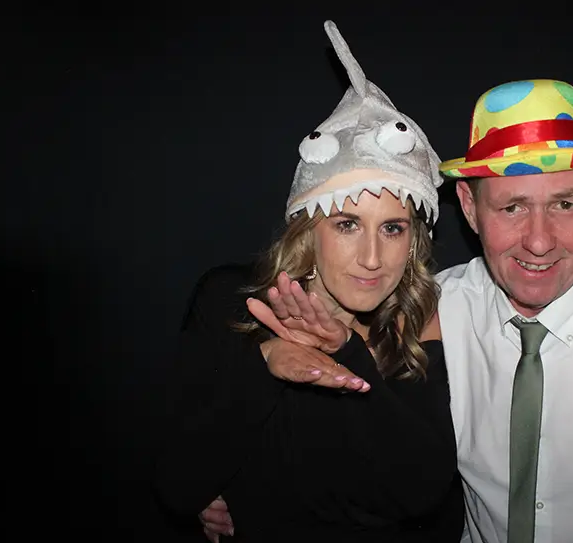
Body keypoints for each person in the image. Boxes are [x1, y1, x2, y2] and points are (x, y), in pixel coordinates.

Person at [198, 75, 573, 542]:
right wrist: (226, 478)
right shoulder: (432, 309)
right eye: (512, 207)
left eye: (564, 204)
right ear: (468, 207)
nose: (538, 241)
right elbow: (344, 438)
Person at [153, 20, 464, 542]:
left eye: (392, 228)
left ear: (414, 240)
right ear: (308, 230)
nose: (372, 258)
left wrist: (347, 354)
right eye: (347, 224)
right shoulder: (232, 302)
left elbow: (422, 493)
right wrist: (264, 364)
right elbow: (177, 485)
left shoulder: (417, 319)